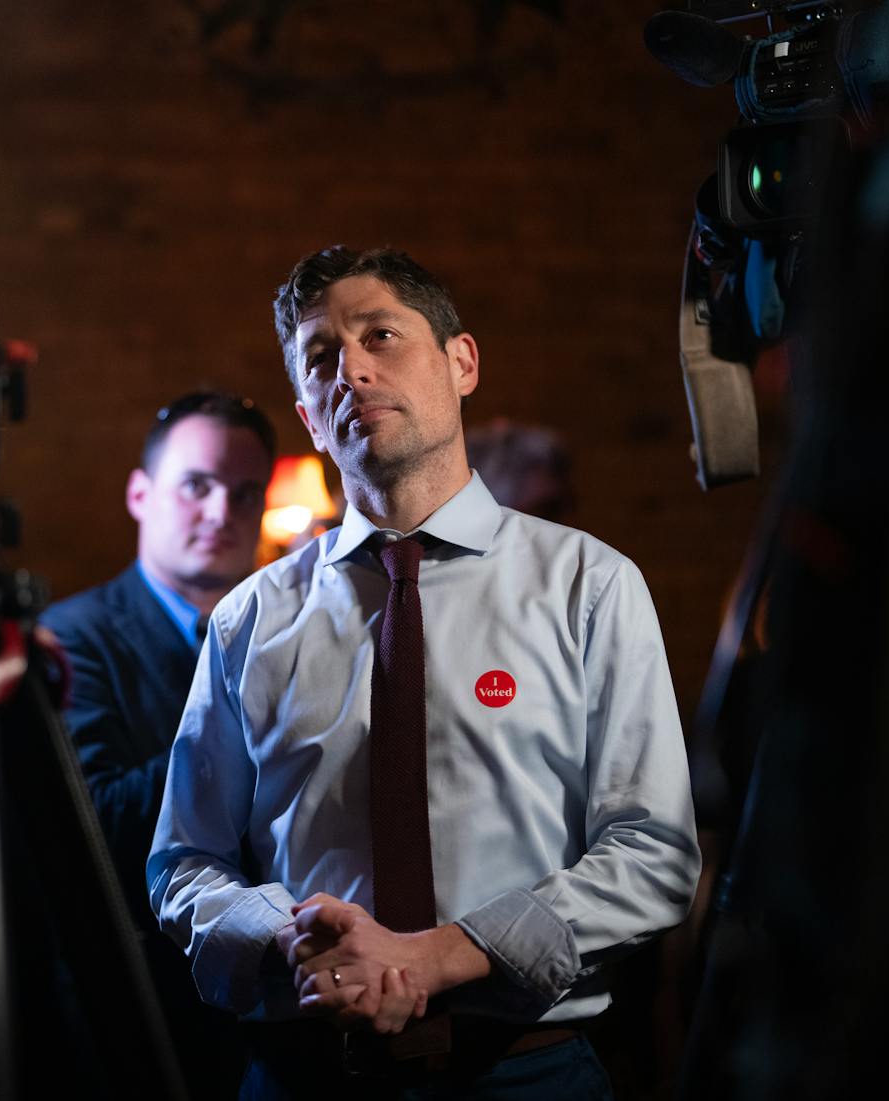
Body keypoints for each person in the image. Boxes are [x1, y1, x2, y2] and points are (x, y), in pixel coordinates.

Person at [148, 247, 700, 1098]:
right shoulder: (250, 618)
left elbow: (654, 852)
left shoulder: (589, 586)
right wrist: (289, 937)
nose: (354, 370)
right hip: (306, 1073)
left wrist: (437, 955)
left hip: (525, 1071)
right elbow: (186, 861)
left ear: (462, 362)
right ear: (308, 411)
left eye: (381, 335)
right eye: (323, 358)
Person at [40, 390, 275, 1097]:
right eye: (196, 485)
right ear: (140, 493)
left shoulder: (278, 637)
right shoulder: (71, 638)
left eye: (244, 492)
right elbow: (95, 824)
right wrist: (244, 723)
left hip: (265, 1009)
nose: (220, 512)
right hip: (128, 1012)